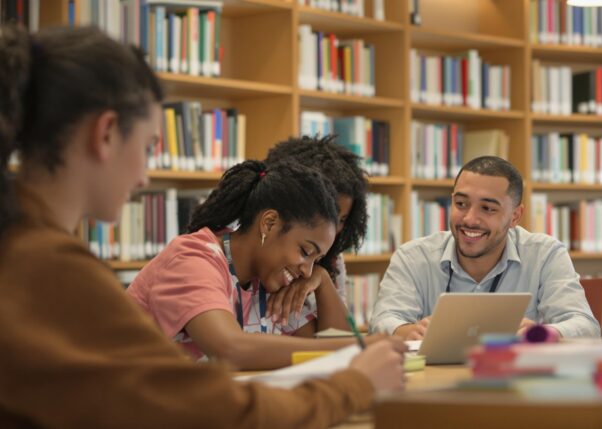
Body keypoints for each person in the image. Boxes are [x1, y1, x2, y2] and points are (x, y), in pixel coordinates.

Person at [0, 24, 404, 428]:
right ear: (106, 134)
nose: (143, 176)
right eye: (147, 148)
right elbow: (215, 407)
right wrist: (356, 380)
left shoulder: (29, 248)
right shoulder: (47, 267)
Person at [127, 159, 381, 370]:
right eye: (305, 252)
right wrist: (359, 347)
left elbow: (326, 351)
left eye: (316, 260)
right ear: (269, 223)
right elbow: (229, 349)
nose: (307, 269)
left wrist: (323, 280)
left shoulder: (272, 278)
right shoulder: (193, 258)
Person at [370, 156, 600, 340]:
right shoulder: (413, 257)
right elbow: (383, 320)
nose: (470, 219)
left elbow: (585, 325)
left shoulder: (545, 254)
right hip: (436, 388)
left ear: (515, 216)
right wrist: (406, 331)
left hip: (516, 388)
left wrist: (543, 333)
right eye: (461, 204)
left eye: (487, 209)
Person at [262, 135, 368, 326]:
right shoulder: (266, 258)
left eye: (342, 220)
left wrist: (322, 278)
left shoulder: (331, 259)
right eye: (329, 216)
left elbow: (338, 342)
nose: (333, 232)